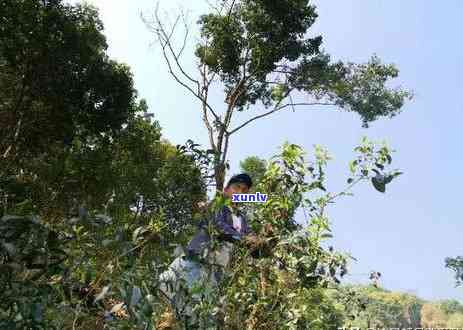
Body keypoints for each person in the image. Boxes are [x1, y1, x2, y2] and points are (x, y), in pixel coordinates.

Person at [157, 173, 262, 328]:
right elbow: (219, 226)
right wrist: (243, 239)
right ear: (226, 190)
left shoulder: (242, 220)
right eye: (236, 188)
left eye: (245, 191)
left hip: (212, 275)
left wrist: (263, 243)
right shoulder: (217, 205)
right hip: (192, 263)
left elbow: (253, 247)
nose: (240, 193)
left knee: (195, 317)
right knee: (159, 292)